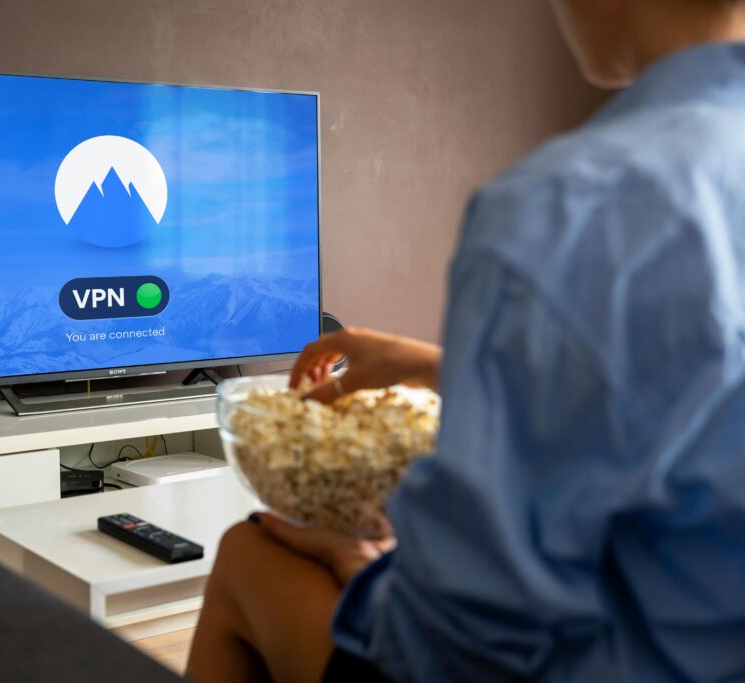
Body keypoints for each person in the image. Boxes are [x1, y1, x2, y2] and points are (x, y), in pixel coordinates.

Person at [185, 0, 745, 681]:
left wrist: (362, 565)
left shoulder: (566, 203)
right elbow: (690, 389)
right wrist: (432, 365)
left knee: (248, 555)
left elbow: (468, 635)